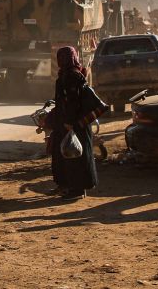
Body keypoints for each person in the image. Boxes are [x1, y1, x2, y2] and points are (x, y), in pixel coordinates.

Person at [49, 46, 98, 200]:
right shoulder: (66, 75)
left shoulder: (72, 77)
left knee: (76, 157)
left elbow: (73, 102)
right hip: (67, 124)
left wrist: (70, 123)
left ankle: (77, 190)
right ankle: (65, 185)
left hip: (75, 125)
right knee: (63, 155)